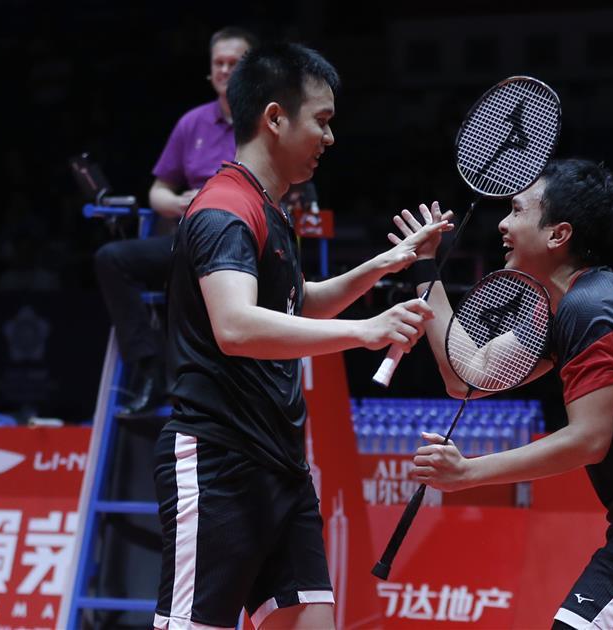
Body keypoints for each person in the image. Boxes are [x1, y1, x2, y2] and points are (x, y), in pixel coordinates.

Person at [152, 42, 451, 630]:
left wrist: (384, 265)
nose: (330, 137)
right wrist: (367, 330)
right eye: (323, 120)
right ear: (274, 118)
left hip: (280, 465)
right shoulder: (225, 211)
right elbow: (236, 326)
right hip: (219, 461)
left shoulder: (269, 209)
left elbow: (298, 302)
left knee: (307, 620)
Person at [396, 159, 613, 629]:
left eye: (517, 211)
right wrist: (424, 262)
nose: (502, 222)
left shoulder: (591, 307)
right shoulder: (566, 308)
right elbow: (466, 375)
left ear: (558, 235)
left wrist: (468, 472)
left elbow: (587, 440)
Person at [94, 27, 257, 417]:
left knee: (188, 280)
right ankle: (151, 369)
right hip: (189, 239)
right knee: (111, 258)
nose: (224, 71)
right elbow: (158, 190)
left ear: (253, 69)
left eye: (234, 64)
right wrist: (179, 202)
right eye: (218, 63)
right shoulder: (192, 123)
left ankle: (210, 387)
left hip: (243, 243)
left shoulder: (267, 119)